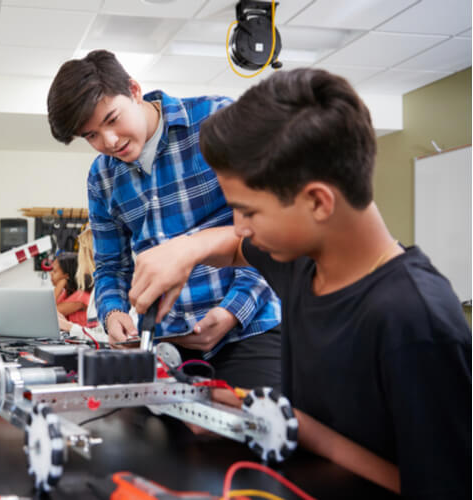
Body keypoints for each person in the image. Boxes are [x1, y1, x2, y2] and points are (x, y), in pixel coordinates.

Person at [128, 68, 472, 498]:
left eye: (248, 211)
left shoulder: (414, 318)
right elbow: (233, 249)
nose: (241, 228)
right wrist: (185, 250)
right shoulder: (303, 265)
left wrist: (299, 427)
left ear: (316, 201)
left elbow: (445, 488)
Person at [46, 50, 282, 389]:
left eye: (112, 119)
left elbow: (274, 232)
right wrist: (113, 314)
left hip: (249, 329)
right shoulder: (102, 178)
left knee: (257, 429)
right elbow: (110, 267)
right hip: (165, 345)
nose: (108, 142)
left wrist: (233, 311)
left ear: (134, 90)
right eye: (91, 136)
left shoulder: (218, 120)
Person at [51, 252, 92, 327]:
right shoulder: (66, 293)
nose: (51, 274)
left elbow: (50, 314)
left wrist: (60, 284)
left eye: (55, 271)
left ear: (66, 275)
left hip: (81, 337)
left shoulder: (81, 296)